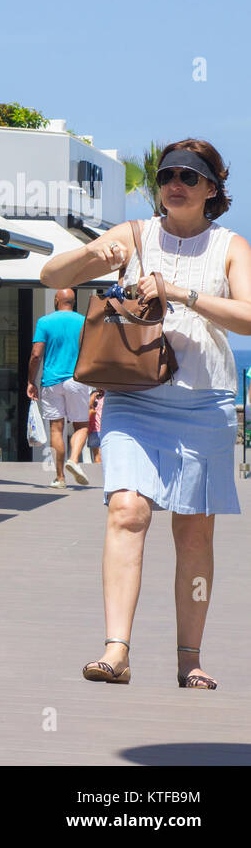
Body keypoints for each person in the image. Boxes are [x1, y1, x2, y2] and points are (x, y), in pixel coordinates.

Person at [41, 138, 251, 689]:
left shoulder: (229, 245)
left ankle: (189, 658)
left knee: (195, 536)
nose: (174, 183)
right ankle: (116, 650)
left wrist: (179, 293)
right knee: (127, 511)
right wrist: (93, 257)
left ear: (212, 189)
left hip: (205, 404)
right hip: (133, 398)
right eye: (166, 176)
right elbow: (49, 274)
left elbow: (249, 318)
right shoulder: (133, 235)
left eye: (188, 175)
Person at [27, 288, 92, 488]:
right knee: (81, 425)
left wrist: (31, 381)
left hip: (51, 381)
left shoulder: (44, 322)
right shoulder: (84, 322)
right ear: (73, 301)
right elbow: (92, 352)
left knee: (57, 428)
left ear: (56, 300)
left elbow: (36, 355)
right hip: (77, 379)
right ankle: (74, 458)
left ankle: (60, 477)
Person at [86, 388, 105, 464]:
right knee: (100, 457)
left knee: (97, 457)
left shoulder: (95, 395)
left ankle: (100, 474)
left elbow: (89, 406)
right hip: (99, 430)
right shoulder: (110, 396)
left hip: (95, 430)